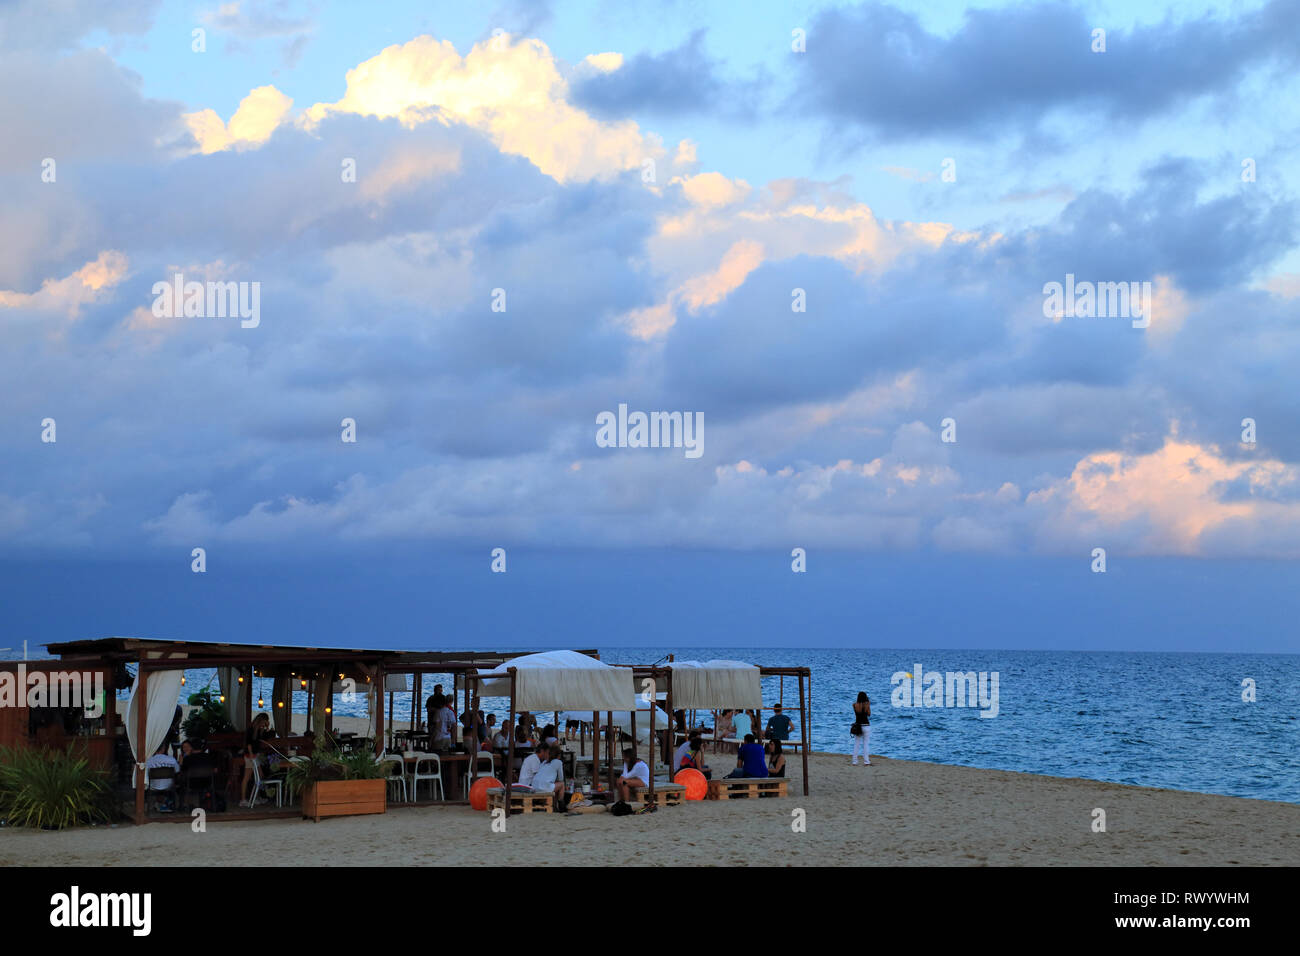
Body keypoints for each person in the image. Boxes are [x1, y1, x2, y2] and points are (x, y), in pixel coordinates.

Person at [239, 713, 275, 806]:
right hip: (250, 755)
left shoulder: (259, 730)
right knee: (247, 777)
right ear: (260, 721)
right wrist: (251, 755)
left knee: (260, 776)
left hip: (256, 755)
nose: (264, 724)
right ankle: (243, 799)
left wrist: (267, 728)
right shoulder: (251, 729)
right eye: (264, 722)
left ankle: (257, 797)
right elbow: (249, 743)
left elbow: (266, 738)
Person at [531, 743, 568, 810]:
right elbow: (561, 778)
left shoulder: (544, 762)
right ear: (559, 755)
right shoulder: (558, 762)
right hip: (544, 787)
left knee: (554, 785)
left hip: (534, 786)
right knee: (561, 785)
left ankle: (554, 806)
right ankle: (561, 804)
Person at [147, 744, 181, 811]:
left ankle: (160, 804)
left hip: (153, 786)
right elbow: (177, 771)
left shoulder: (149, 761)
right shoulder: (171, 759)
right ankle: (165, 804)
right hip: (169, 785)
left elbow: (146, 773)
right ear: (164, 749)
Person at [851, 691, 871, 766]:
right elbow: (869, 714)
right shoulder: (867, 705)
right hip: (866, 725)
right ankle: (866, 761)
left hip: (858, 726)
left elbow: (857, 714)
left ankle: (854, 761)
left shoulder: (854, 705)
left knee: (856, 744)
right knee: (866, 744)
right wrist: (868, 704)